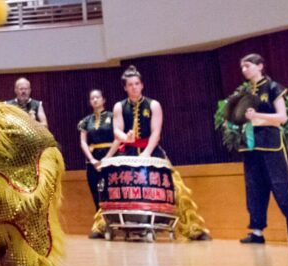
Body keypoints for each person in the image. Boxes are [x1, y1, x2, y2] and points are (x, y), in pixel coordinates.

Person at [110, 66, 211, 240]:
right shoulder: (119, 106)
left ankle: (192, 228)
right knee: (116, 187)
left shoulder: (153, 104)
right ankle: (108, 225)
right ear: (125, 87)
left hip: (151, 150)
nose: (134, 87)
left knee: (174, 186)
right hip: (128, 151)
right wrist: (125, 137)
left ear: (142, 85)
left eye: (137, 84)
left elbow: (156, 132)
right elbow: (116, 131)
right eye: (130, 85)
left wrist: (147, 153)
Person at [233, 54, 288, 247]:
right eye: (242, 67)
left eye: (247, 66)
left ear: (260, 66)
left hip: (271, 143)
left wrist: (256, 115)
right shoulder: (246, 92)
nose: (244, 70)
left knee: (282, 185)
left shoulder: (273, 87)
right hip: (251, 144)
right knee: (255, 188)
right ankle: (257, 231)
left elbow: (282, 118)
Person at [77, 89, 115, 238]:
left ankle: (112, 224)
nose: (95, 100)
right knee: (95, 192)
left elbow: (118, 138)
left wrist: (108, 158)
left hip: (110, 158)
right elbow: (83, 142)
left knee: (108, 191)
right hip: (93, 160)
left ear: (103, 99)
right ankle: (100, 226)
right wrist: (92, 160)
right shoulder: (86, 121)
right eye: (92, 98)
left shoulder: (112, 117)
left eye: (97, 97)